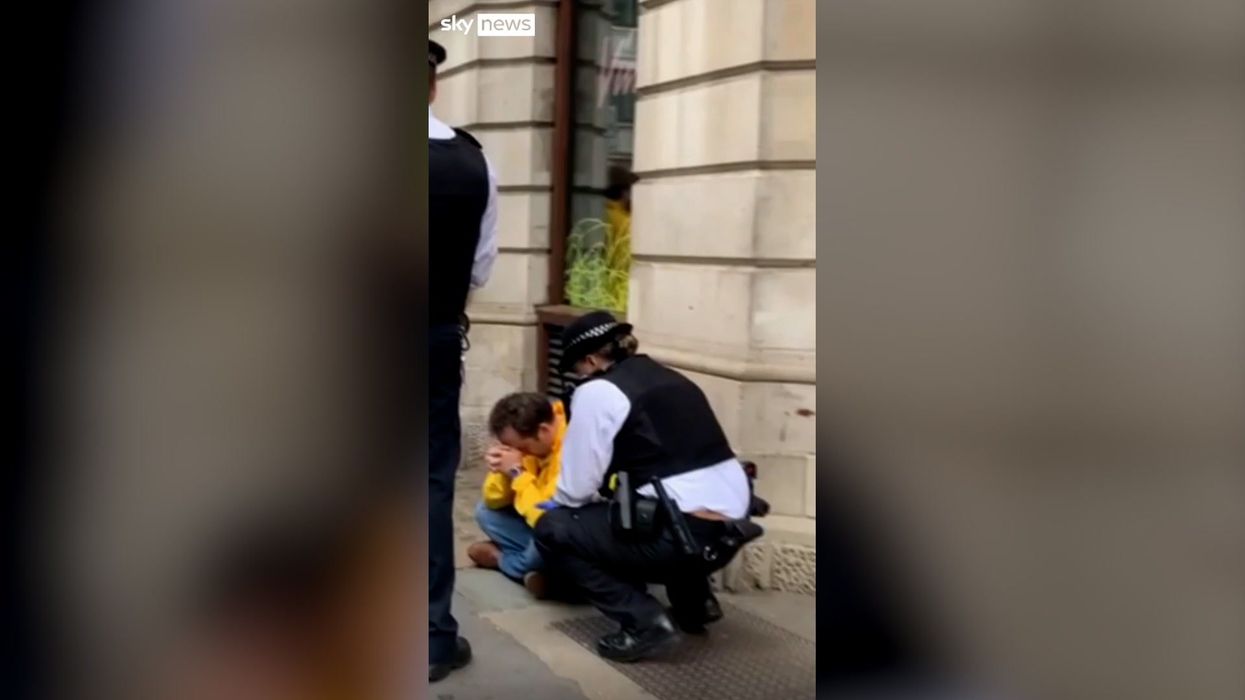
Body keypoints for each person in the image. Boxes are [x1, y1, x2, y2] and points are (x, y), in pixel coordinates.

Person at [533, 311, 755, 662]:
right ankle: (695, 607)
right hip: (732, 523)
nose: (579, 377)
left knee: (554, 529)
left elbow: (576, 489)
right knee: (652, 500)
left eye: (578, 369)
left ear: (590, 360)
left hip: (682, 537)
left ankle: (645, 623)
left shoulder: (599, 392)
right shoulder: (672, 378)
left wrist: (558, 506)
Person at [428, 38, 499, 683]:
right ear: (432, 86)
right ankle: (429, 639)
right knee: (428, 483)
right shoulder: (472, 162)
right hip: (433, 339)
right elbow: (480, 267)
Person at [466, 393, 568, 598]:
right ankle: (542, 572)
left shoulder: (570, 449)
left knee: (535, 554)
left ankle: (500, 559)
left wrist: (517, 473)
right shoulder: (531, 447)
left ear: (544, 431)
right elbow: (493, 502)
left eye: (522, 447)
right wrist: (500, 472)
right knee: (484, 512)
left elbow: (548, 519)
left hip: (561, 527)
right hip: (535, 522)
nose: (520, 453)